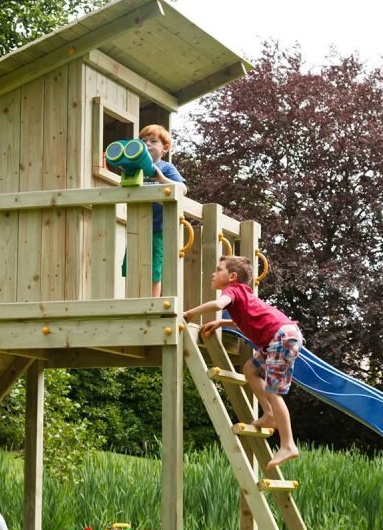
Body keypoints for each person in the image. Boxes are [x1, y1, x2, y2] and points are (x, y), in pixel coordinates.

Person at [184, 255, 302, 470]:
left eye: (218, 269)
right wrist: (223, 321)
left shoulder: (232, 290)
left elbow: (218, 303)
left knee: (274, 391)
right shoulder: (244, 293)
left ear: (232, 277)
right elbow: (251, 318)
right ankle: (268, 414)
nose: (213, 273)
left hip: (280, 337)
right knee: (250, 368)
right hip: (277, 337)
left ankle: (288, 445)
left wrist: (189, 314)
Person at [121, 124, 186, 297]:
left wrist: (162, 179)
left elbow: (183, 189)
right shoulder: (136, 169)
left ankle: (152, 301)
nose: (147, 144)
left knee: (154, 268)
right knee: (132, 266)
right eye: (143, 141)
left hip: (159, 228)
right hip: (136, 225)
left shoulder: (166, 168)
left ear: (164, 148)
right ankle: (133, 301)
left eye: (153, 141)